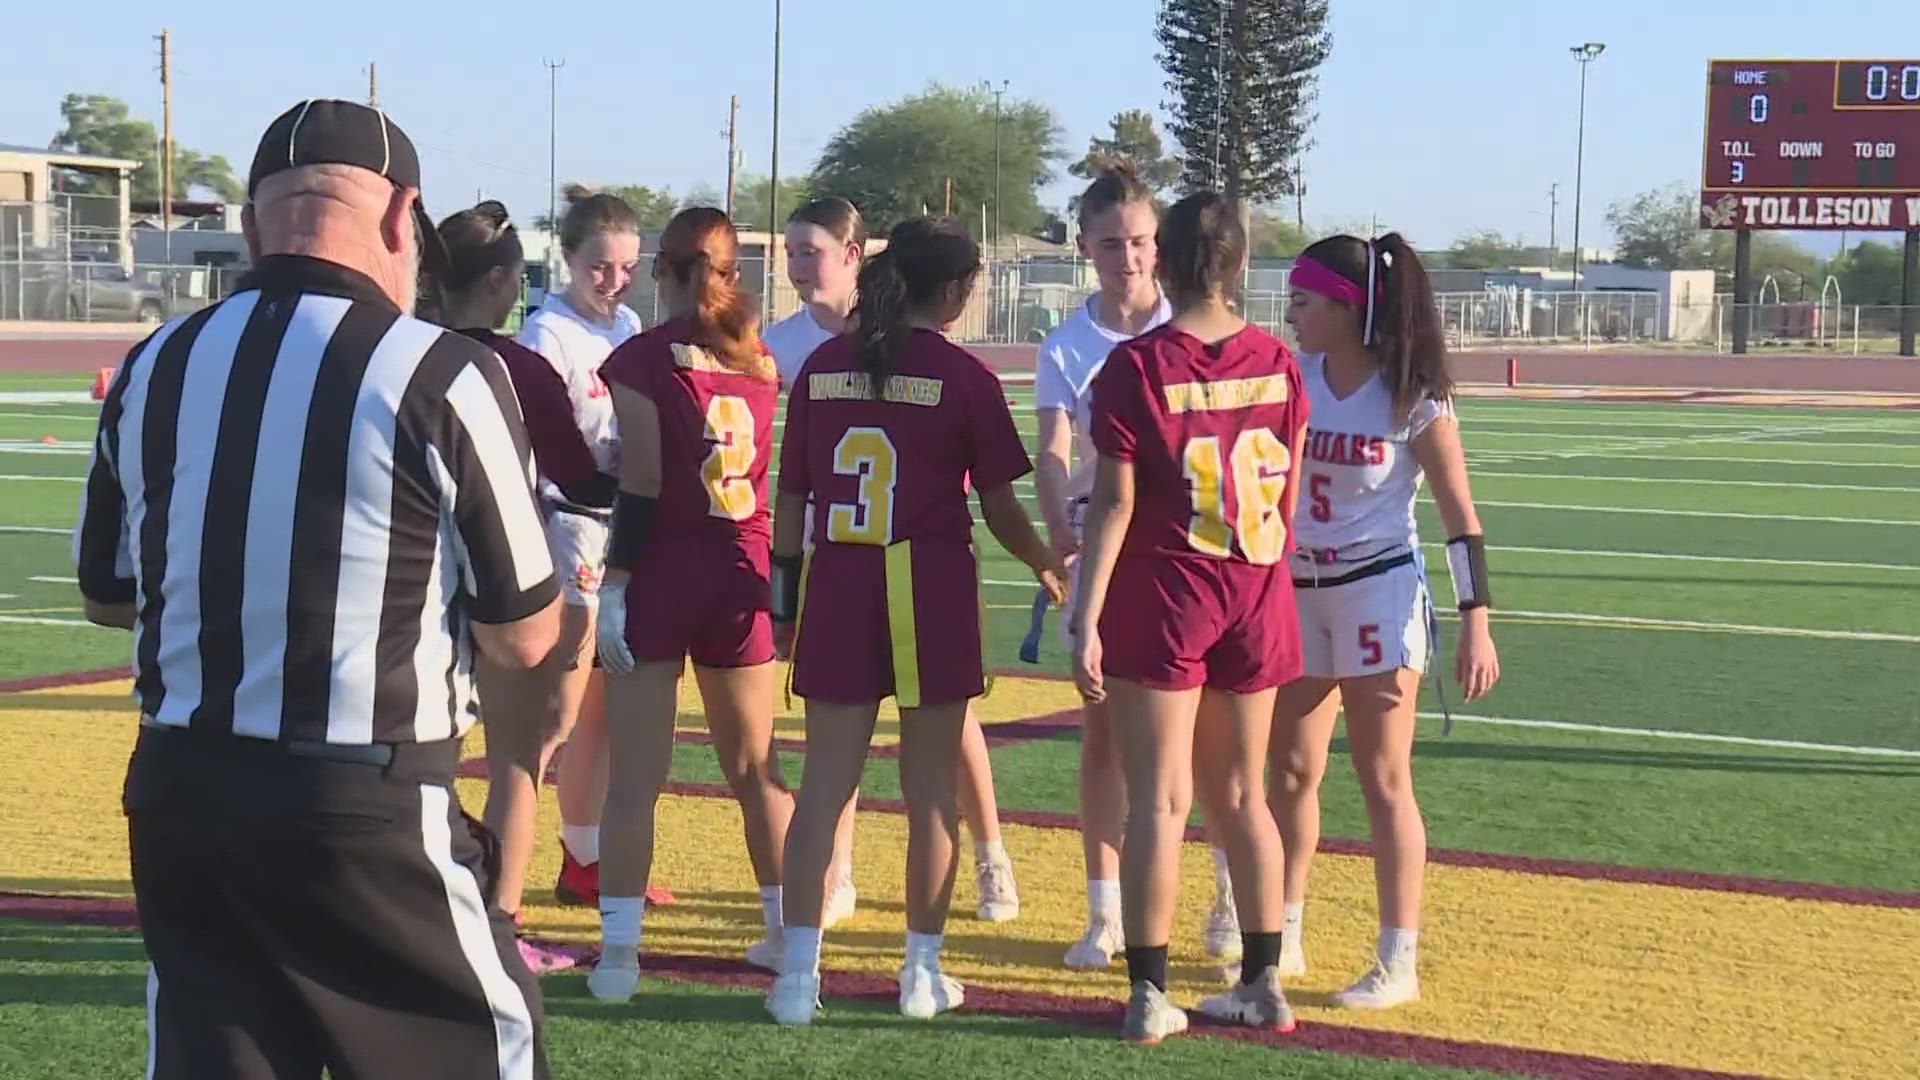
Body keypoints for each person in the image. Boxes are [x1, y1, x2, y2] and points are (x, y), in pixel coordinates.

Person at [78, 99, 560, 1079]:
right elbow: (523, 634)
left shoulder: (155, 364)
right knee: (491, 1054)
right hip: (361, 804)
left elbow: (110, 597)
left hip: (185, 794)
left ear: (255, 227)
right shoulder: (442, 371)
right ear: (401, 219)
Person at [763, 217, 1066, 1026]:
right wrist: (1045, 560)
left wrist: (782, 606)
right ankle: (920, 973)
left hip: (839, 584)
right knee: (930, 794)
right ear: (960, 290)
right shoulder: (965, 377)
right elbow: (1001, 506)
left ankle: (797, 975)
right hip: (926, 586)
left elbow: (790, 503)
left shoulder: (824, 366)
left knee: (823, 788)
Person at [1069, 192, 1310, 1045]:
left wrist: (1083, 612)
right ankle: (1264, 979)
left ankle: (1147, 992)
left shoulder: (1136, 367)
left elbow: (1113, 502)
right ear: (1241, 264)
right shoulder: (1280, 361)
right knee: (1245, 796)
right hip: (1256, 588)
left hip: (1168, 590)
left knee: (1161, 803)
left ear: (1160, 263)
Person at [1268, 232, 1500, 1010]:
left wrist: (1477, 622)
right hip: (1298, 589)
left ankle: (1398, 958)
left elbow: (1459, 518)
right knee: (1292, 771)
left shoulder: (1412, 396)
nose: (1292, 312)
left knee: (1384, 777)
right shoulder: (1289, 377)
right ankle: (1281, 931)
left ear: (1345, 305)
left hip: (1377, 589)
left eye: (1304, 299)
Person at [584, 207, 793, 999]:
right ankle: (783, 934)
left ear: (661, 270)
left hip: (664, 572)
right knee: (757, 771)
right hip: (741, 574)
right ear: (732, 273)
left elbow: (639, 485)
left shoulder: (643, 357)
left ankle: (619, 956)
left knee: (636, 781)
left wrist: (615, 586)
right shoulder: (762, 361)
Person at [1035, 165, 1239, 973]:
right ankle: (1105, 911)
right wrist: (1061, 530)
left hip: (1196, 559)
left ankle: (1227, 897)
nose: (1130, 258)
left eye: (1142, 241)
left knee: (1212, 747)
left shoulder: (1194, 328)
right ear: (1085, 247)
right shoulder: (1069, 345)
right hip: (1109, 556)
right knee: (1105, 744)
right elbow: (1054, 450)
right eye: (1113, 243)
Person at [432, 199, 599, 975]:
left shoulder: (399, 350)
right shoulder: (519, 367)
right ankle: (496, 929)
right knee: (517, 759)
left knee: (409, 753)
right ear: (500, 281)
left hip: (408, 581)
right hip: (506, 576)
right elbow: (578, 475)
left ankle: (418, 911)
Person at [514, 186, 671, 909]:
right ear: (568, 260)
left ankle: (583, 856)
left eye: (626, 267)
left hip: (622, 529)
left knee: (603, 708)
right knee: (558, 708)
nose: (614, 282)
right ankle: (494, 852)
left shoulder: (629, 324)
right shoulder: (547, 336)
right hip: (569, 524)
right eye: (599, 268)